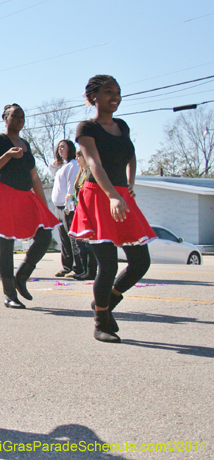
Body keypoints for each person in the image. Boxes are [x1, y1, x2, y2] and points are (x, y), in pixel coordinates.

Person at [70, 75, 155, 343]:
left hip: (119, 195)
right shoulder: (87, 127)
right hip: (98, 195)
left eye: (118, 92)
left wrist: (129, 184)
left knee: (141, 261)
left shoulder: (122, 126)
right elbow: (94, 164)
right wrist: (112, 196)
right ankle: (101, 323)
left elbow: (130, 155)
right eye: (108, 92)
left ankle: (105, 306)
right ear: (93, 96)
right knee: (106, 265)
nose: (115, 96)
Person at [0, 104, 61, 308]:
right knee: (6, 243)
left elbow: (35, 177)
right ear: (5, 118)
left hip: (25, 197)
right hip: (3, 194)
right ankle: (10, 294)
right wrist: (7, 156)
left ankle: (22, 276)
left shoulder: (25, 144)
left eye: (23, 116)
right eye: (15, 116)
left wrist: (44, 205)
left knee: (44, 234)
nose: (20, 119)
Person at [49, 140, 82, 277]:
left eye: (63, 146)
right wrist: (54, 164)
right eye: (59, 147)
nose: (60, 149)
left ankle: (78, 268)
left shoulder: (73, 165)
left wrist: (70, 206)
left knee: (72, 237)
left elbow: (71, 187)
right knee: (63, 237)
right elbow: (52, 171)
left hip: (67, 207)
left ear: (70, 149)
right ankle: (67, 266)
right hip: (58, 207)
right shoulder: (63, 166)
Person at [70, 150, 97, 281]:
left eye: (79, 155)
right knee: (80, 243)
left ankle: (92, 271)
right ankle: (84, 270)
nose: (77, 158)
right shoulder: (80, 173)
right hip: (79, 210)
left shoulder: (92, 172)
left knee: (89, 243)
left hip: (90, 212)